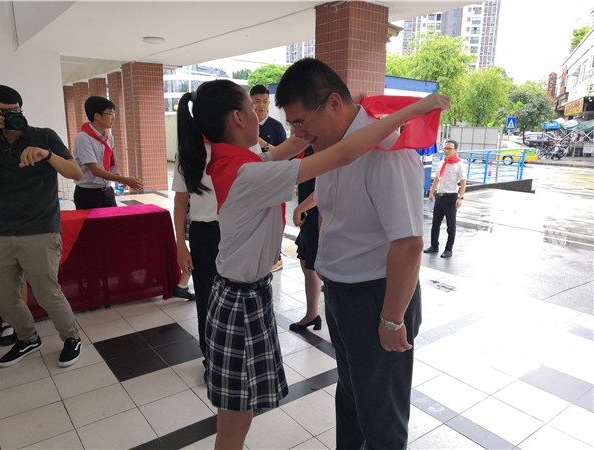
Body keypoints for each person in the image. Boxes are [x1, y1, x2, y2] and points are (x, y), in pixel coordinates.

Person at [177, 79, 449, 449]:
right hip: (241, 302)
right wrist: (413, 110)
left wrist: (314, 127)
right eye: (253, 108)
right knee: (236, 419)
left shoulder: (238, 162)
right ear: (238, 118)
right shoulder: (248, 174)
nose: (262, 116)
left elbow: (289, 148)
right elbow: (345, 153)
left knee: (252, 412)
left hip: (247, 295)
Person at [275, 58, 448, 450]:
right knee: (352, 396)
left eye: (301, 122)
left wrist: (392, 318)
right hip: (343, 293)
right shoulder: (333, 147)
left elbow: (408, 243)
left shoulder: (387, 152)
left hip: (377, 298)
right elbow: (333, 208)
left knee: (381, 414)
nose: (298, 134)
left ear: (334, 103)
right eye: (292, 125)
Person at [0, 84, 83, 368]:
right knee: (2, 297)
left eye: (12, 111)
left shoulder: (43, 136)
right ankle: (27, 338)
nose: (7, 117)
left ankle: (71, 337)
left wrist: (47, 155)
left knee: (47, 293)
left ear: (21, 109)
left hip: (40, 228)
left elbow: (76, 173)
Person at [73, 96, 143, 209]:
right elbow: (95, 170)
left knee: (113, 220)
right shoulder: (83, 138)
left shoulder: (109, 138)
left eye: (114, 114)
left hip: (107, 191)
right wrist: (124, 179)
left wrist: (118, 176)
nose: (113, 118)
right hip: (88, 194)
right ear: (97, 116)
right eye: (110, 114)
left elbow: (109, 164)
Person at [250, 84, 288, 272]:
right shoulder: (243, 124)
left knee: (277, 219)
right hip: (252, 182)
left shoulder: (276, 126)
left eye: (264, 101)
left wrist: (261, 142)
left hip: (274, 181)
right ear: (250, 102)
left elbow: (285, 155)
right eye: (257, 101)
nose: (261, 105)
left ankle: (275, 256)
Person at [290, 146, 322, 332]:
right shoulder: (309, 149)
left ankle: (325, 316)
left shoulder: (323, 150)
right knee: (307, 264)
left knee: (318, 267)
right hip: (309, 218)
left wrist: (299, 208)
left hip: (318, 217)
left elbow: (321, 191)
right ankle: (312, 313)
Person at [423, 139, 467, 258]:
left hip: (451, 198)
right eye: (445, 148)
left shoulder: (459, 165)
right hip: (439, 196)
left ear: (455, 150)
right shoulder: (442, 162)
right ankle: (434, 246)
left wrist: (460, 198)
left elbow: (463, 182)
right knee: (435, 223)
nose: (446, 151)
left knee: (450, 225)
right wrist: (432, 192)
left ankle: (448, 249)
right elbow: (437, 178)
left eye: (449, 149)